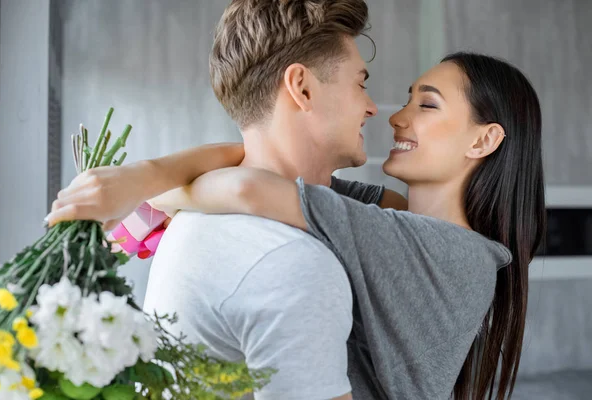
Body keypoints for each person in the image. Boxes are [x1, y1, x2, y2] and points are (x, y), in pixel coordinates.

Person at [47, 9, 546, 400]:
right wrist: (144, 180)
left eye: (428, 104)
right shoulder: (388, 214)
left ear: (483, 141)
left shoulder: (455, 255)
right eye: (404, 96)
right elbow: (251, 165)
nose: (391, 116)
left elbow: (248, 188)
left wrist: (147, 187)